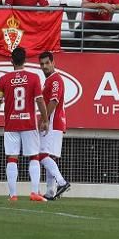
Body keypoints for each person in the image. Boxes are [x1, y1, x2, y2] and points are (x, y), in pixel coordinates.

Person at [0, 46, 48, 202]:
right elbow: (40, 100)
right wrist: (45, 119)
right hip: (29, 123)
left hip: (11, 124)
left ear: (11, 61)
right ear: (25, 60)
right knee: (34, 157)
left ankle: (13, 194)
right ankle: (34, 192)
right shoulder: (34, 77)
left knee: (12, 158)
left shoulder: (3, 80)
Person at [37, 51, 71, 200]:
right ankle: (51, 192)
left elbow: (54, 100)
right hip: (56, 122)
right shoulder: (50, 80)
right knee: (50, 157)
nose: (44, 66)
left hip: (53, 121)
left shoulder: (55, 80)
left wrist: (45, 119)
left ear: (53, 63)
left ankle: (62, 182)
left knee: (42, 154)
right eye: (42, 64)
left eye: (47, 63)